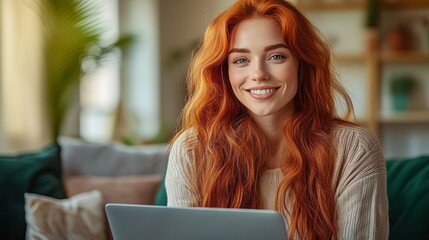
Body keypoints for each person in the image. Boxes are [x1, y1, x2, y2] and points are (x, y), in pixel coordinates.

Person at [165, 0, 389, 239]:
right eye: (241, 60)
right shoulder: (192, 149)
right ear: (224, 71)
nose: (258, 74)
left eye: (276, 56)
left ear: (302, 64)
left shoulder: (354, 149)